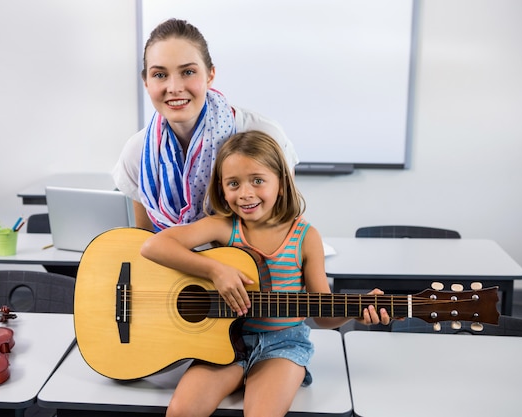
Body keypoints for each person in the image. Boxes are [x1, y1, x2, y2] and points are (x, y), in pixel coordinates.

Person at [141, 130, 391, 417]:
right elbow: (153, 246)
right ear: (222, 189)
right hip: (224, 343)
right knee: (181, 411)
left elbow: (323, 314)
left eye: (257, 181)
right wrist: (215, 270)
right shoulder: (224, 227)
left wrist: (355, 311)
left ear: (282, 184)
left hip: (283, 345)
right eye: (233, 183)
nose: (245, 193)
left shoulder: (305, 237)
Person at [112, 18, 299, 232]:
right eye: (160, 75)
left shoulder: (263, 134)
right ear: (146, 82)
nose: (174, 88)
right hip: (169, 262)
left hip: (249, 264)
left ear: (210, 75)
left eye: (188, 72)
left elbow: (286, 234)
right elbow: (143, 242)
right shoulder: (138, 152)